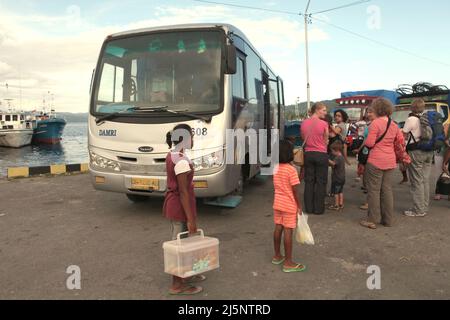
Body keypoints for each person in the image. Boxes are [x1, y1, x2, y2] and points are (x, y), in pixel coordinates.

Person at [163, 124, 204, 295]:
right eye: (192, 137)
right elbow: (183, 192)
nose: (193, 140)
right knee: (178, 246)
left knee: (183, 242)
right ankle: (177, 284)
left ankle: (186, 275)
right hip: (180, 206)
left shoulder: (174, 155)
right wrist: (191, 219)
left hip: (178, 204)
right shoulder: (180, 161)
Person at [360, 98, 405, 229]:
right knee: (387, 190)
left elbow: (369, 143)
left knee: (373, 190)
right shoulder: (394, 124)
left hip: (376, 160)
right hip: (390, 160)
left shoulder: (375, 123)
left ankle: (372, 219)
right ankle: (388, 219)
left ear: (377, 109)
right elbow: (399, 141)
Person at [272, 140, 306, 273]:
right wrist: (299, 205)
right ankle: (288, 262)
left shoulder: (275, 168)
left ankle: (277, 255)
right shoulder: (291, 170)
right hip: (289, 204)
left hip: (278, 202)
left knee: (278, 227)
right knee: (288, 231)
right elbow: (295, 191)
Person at [403, 98, 434, 217]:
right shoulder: (428, 118)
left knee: (416, 181)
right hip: (429, 151)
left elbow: (404, 133)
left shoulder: (411, 119)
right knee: (425, 180)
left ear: (412, 107)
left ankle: (418, 210)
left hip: (416, 151)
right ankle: (424, 206)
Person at [301, 102, 329, 215]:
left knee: (309, 181)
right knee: (321, 182)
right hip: (321, 154)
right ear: (317, 110)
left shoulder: (303, 123)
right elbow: (326, 140)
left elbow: (303, 138)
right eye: (324, 110)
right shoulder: (324, 124)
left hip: (308, 154)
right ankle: (318, 209)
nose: (325, 113)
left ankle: (308, 208)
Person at [328, 141, 346, 211]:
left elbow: (333, 164)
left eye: (332, 151)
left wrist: (327, 159)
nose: (332, 153)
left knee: (336, 193)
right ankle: (341, 204)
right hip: (342, 178)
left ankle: (336, 205)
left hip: (337, 178)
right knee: (340, 191)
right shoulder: (342, 157)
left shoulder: (337, 158)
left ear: (336, 150)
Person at [434, 122, 450, 200]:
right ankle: (438, 192)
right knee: (440, 173)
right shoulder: (446, 125)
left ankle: (439, 193)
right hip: (441, 153)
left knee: (441, 173)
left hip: (442, 153)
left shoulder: (445, 125)